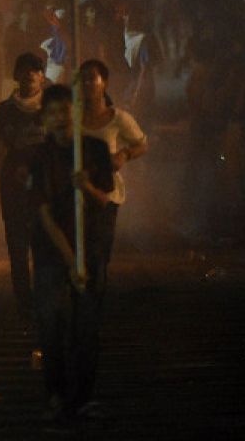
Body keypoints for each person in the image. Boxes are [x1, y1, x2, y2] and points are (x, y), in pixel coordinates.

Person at [27, 83, 115, 421]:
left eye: (65, 110)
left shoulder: (94, 149)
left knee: (86, 325)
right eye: (52, 113)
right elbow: (45, 214)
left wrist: (86, 186)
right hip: (53, 251)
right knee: (50, 323)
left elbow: (105, 198)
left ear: (76, 112)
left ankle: (84, 396)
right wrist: (70, 260)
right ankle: (56, 393)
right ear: (44, 120)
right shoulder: (40, 157)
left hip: (90, 246)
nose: (60, 117)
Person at [0, 52, 47, 321]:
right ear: (16, 75)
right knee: (17, 244)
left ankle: (46, 297)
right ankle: (23, 300)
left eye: (35, 70)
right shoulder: (5, 110)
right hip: (13, 187)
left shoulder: (52, 107)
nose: (30, 74)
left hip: (46, 188)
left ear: (42, 76)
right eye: (25, 69)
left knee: (45, 242)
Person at [78, 59, 147, 261]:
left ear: (105, 82)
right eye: (83, 80)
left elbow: (142, 144)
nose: (87, 84)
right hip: (75, 192)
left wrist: (124, 154)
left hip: (106, 194)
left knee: (99, 254)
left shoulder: (119, 118)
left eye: (92, 79)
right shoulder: (71, 117)